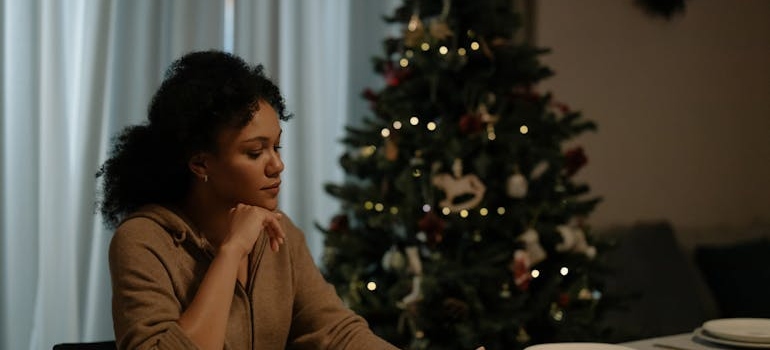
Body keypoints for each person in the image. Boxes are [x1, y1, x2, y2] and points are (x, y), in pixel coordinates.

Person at [97, 50, 399, 350]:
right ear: (200, 164)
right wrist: (232, 251)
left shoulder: (280, 233)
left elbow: (336, 332)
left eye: (276, 147)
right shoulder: (144, 240)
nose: (277, 165)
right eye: (255, 152)